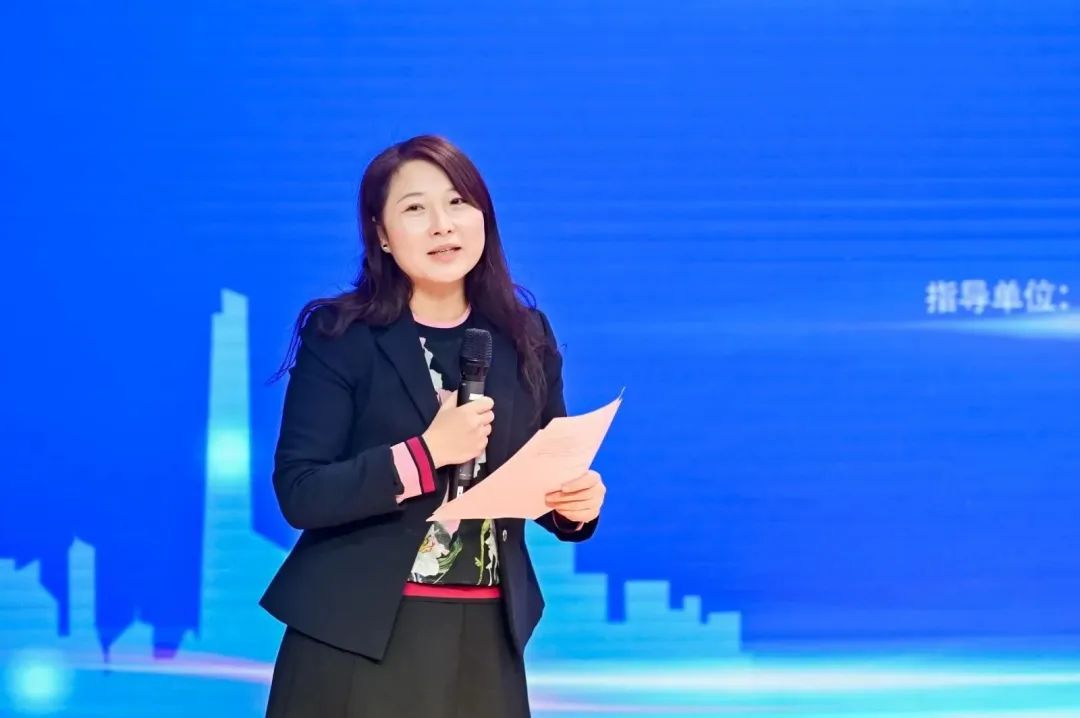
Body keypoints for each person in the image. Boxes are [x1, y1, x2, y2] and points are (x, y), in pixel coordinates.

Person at [260, 135, 607, 718]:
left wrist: (575, 505)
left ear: (483, 216)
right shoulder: (342, 337)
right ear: (381, 234)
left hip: (485, 637)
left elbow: (542, 470)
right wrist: (425, 453)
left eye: (457, 203)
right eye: (415, 208)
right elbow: (301, 491)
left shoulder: (526, 336)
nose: (442, 225)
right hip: (358, 635)